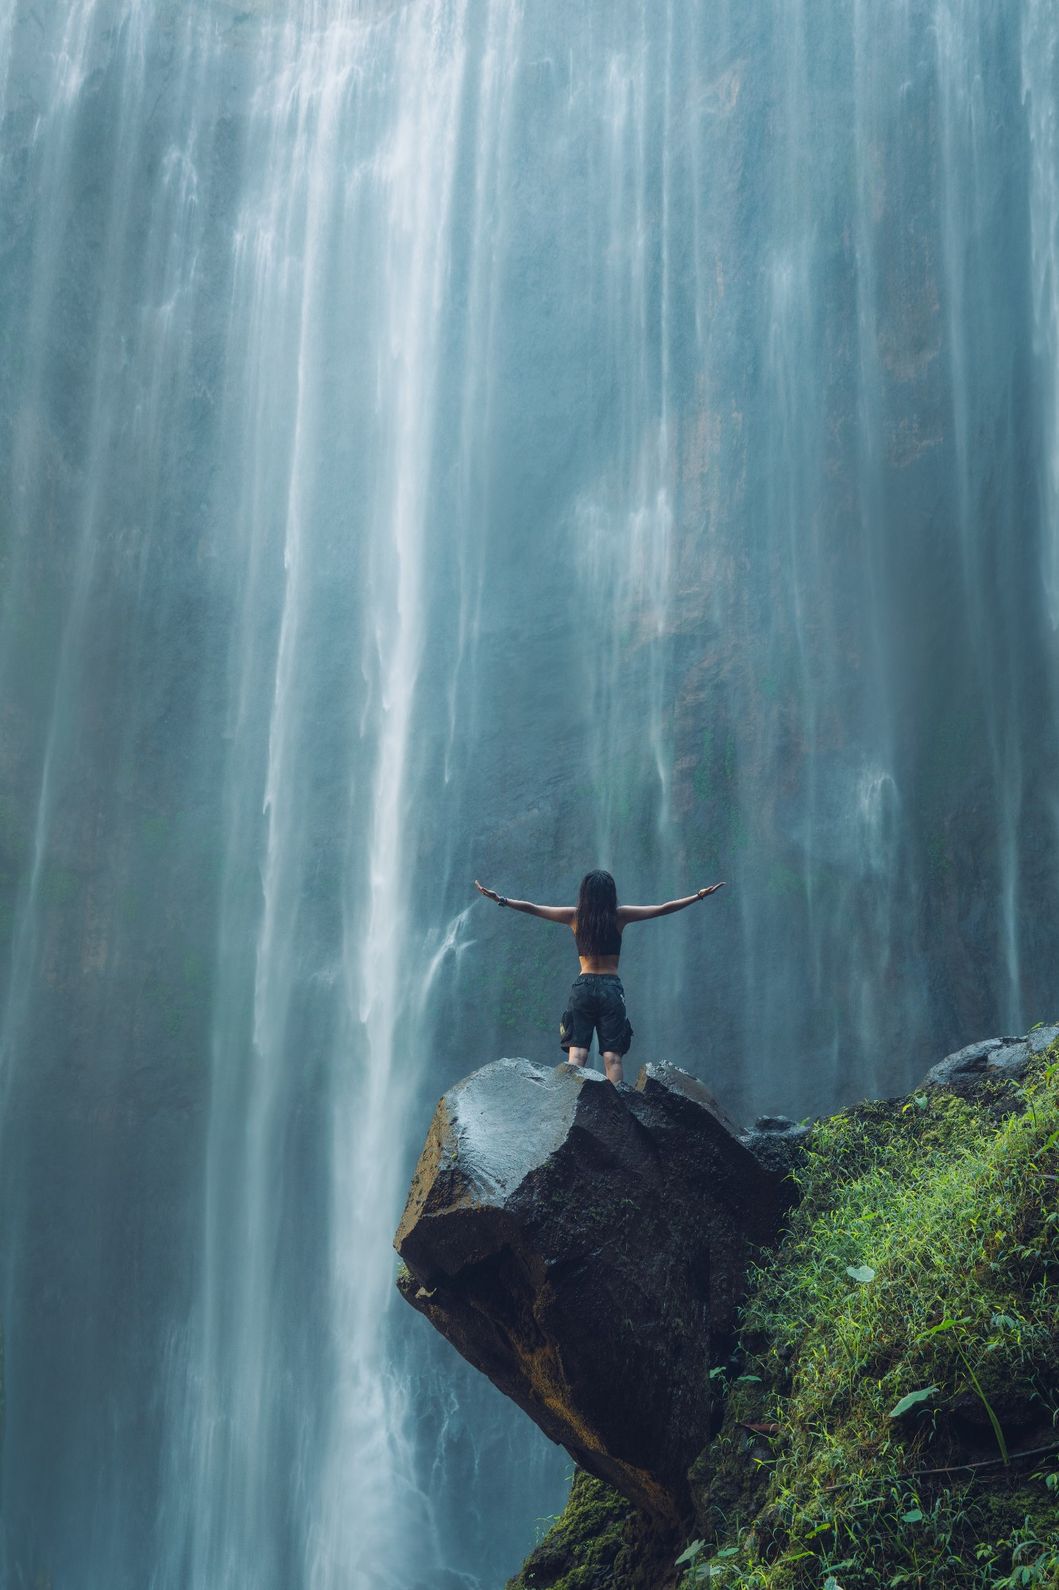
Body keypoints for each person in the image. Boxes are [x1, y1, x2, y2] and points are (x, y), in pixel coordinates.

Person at [473, 869, 726, 1085]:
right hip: (610, 988)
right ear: (610, 893)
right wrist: (699, 896)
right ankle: (616, 1109)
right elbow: (662, 908)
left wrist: (502, 899)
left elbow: (534, 908)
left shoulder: (574, 917)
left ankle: (569, 1103)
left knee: (576, 1056)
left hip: (582, 988)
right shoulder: (620, 915)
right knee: (612, 1057)